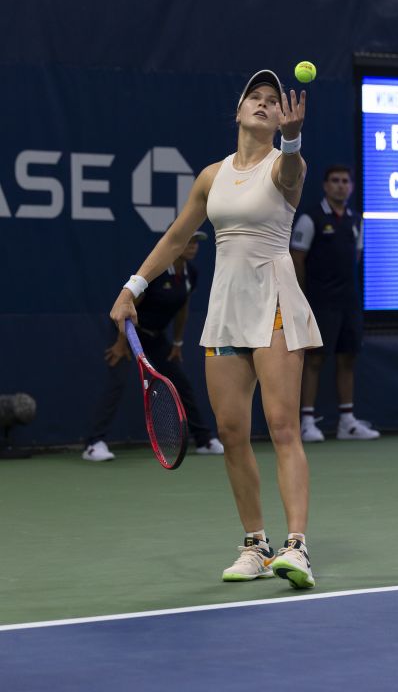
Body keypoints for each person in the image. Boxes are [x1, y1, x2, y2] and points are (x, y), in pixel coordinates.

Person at [110, 70, 322, 589]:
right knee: (231, 433)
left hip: (273, 302)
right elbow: (177, 236)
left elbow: (292, 176)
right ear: (239, 110)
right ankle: (255, 544)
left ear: (281, 119)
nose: (266, 105)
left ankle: (297, 548)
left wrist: (292, 140)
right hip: (226, 308)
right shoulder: (211, 176)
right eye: (257, 97)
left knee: (282, 426)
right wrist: (132, 288)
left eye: (275, 102)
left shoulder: (283, 164)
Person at [84, 232, 223, 461]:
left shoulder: (191, 274)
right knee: (117, 382)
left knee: (180, 382)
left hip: (156, 337)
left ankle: (204, 439)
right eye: (189, 241)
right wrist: (122, 343)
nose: (194, 247)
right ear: (176, 243)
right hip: (129, 330)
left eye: (197, 242)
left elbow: (183, 308)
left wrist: (177, 342)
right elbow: (129, 304)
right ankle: (94, 443)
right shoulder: (156, 273)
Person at [290, 165, 380, 443]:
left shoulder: (355, 220)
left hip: (349, 302)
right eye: (335, 181)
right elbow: (296, 259)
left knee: (347, 358)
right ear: (325, 186)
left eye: (345, 181)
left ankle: (347, 421)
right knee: (314, 359)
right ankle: (306, 422)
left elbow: (355, 258)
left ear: (351, 187)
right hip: (319, 301)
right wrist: (302, 297)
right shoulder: (310, 218)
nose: (341, 186)